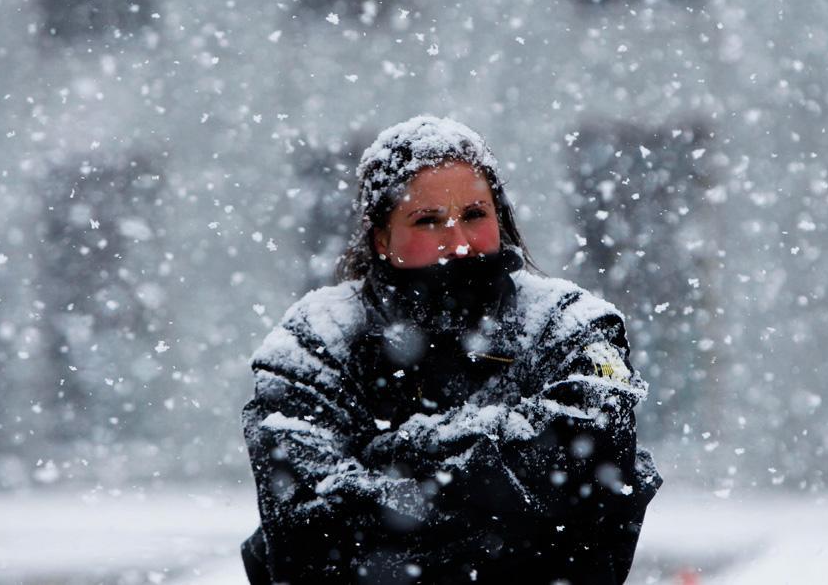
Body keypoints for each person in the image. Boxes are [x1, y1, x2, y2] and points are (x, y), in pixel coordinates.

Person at [240, 115, 662, 584]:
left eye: (475, 215)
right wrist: (505, 495)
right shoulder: (313, 341)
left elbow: (593, 485)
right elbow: (305, 533)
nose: (459, 243)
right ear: (381, 236)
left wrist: (391, 456)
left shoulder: (572, 326)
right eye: (429, 220)